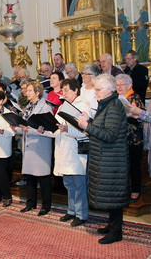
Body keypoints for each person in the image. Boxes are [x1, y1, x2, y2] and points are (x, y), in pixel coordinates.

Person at [77, 74, 129, 244]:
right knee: (111, 194)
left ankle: (116, 232)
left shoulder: (113, 106)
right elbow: (104, 127)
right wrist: (90, 119)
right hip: (106, 157)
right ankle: (112, 225)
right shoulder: (107, 104)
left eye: (98, 90)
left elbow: (110, 135)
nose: (95, 93)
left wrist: (88, 126)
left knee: (114, 194)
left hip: (112, 158)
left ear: (108, 90)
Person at [12, 81, 53, 216]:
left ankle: (46, 206)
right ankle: (30, 203)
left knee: (43, 178)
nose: (26, 92)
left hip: (40, 146)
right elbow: (25, 127)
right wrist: (16, 128)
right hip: (29, 146)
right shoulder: (29, 106)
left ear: (37, 92)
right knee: (30, 177)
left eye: (29, 90)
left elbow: (48, 131)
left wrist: (28, 130)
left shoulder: (45, 107)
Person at [54, 79, 91, 227]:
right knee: (69, 183)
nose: (64, 93)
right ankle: (71, 210)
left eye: (67, 90)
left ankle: (81, 214)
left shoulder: (83, 105)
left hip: (76, 150)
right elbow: (56, 124)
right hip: (64, 149)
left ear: (76, 90)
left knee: (79, 184)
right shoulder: (63, 106)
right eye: (62, 90)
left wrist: (67, 129)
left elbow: (84, 130)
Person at [116, 74, 144, 203]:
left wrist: (128, 114)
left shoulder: (135, 97)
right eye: (117, 85)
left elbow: (141, 119)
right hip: (121, 138)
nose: (119, 87)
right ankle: (125, 190)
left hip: (134, 139)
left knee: (134, 166)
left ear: (129, 85)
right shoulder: (116, 98)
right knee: (123, 166)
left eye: (122, 85)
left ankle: (136, 190)